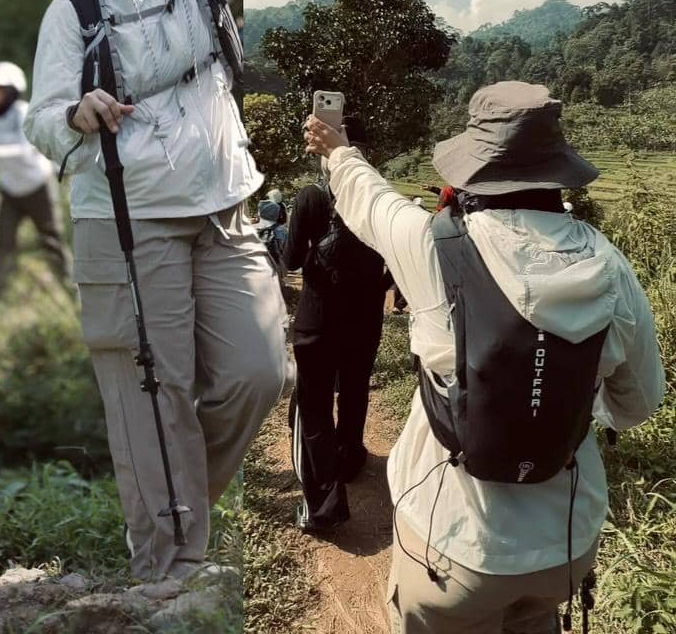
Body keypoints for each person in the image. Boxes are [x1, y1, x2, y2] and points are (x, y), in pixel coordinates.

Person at [23, 0, 382, 582]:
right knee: (155, 396)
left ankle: (176, 512)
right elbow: (39, 119)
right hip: (129, 222)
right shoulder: (71, 11)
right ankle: (167, 567)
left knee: (260, 372)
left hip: (225, 215)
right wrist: (75, 113)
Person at [304, 81, 664, 634]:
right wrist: (554, 402)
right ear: (556, 169)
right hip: (563, 544)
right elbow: (640, 400)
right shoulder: (608, 265)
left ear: (470, 167)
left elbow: (369, 199)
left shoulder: (432, 246)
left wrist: (338, 149)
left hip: (451, 545)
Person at [284, 114, 387, 531]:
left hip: (318, 319)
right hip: (364, 319)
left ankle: (325, 503)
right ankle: (350, 457)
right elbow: (395, 267)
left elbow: (290, 260)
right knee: (356, 390)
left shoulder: (311, 198)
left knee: (315, 403)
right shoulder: (381, 200)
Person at [0, 62, 71, 305]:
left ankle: (70, 290)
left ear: (11, 90)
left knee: (51, 240)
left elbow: (25, 150)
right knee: (3, 243)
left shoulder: (23, 112)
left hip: (36, 187)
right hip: (10, 190)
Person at [256, 198, 288, 271]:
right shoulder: (283, 230)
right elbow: (287, 252)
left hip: (258, 269)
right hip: (277, 269)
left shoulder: (252, 229)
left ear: (261, 212)